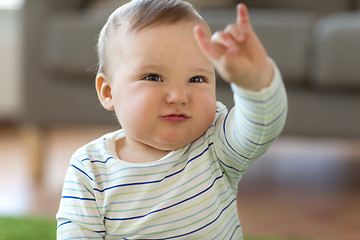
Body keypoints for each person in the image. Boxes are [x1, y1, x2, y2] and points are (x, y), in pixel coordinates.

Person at [56, 0, 287, 239]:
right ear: (108, 91)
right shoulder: (89, 169)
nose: (179, 96)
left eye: (197, 79)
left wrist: (256, 81)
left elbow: (262, 126)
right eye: (154, 77)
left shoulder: (214, 144)